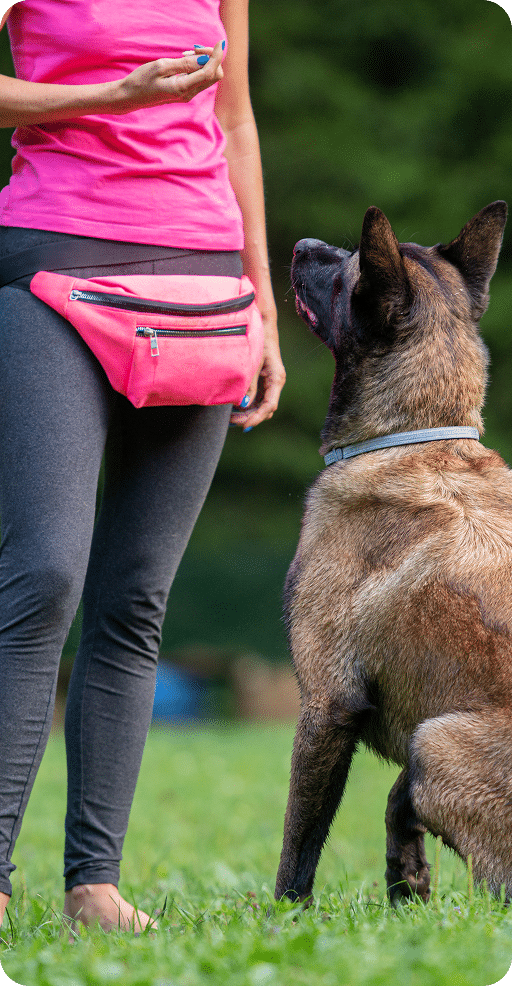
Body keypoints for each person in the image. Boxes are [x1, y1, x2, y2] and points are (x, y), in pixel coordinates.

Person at [0, 0, 285, 933]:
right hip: (55, 262)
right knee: (44, 574)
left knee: (135, 597)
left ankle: (95, 884)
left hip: (202, 277)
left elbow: (234, 118)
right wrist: (109, 96)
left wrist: (261, 299)